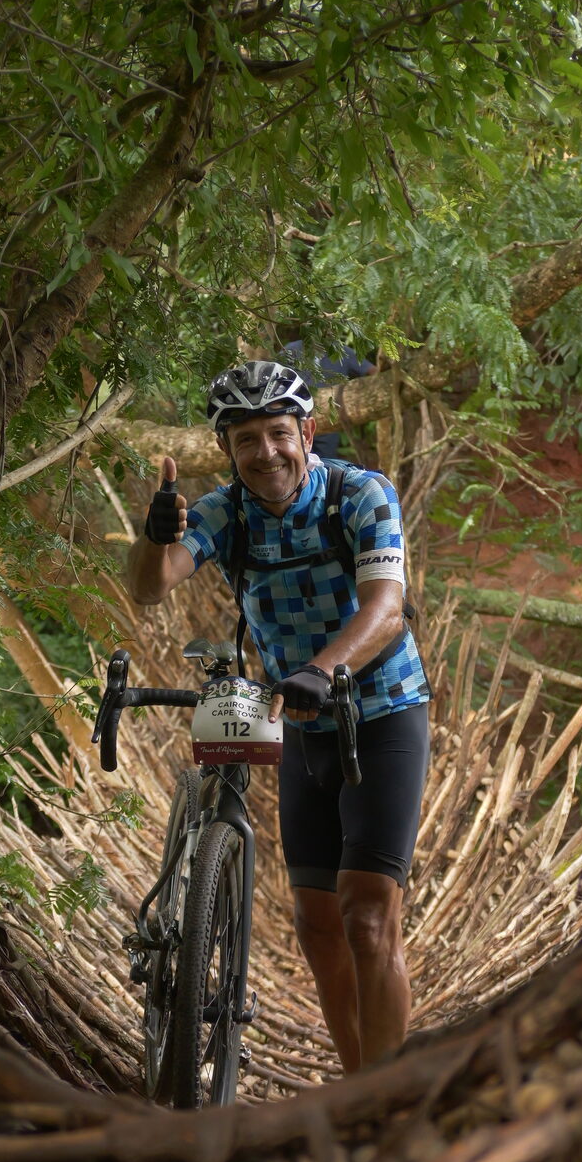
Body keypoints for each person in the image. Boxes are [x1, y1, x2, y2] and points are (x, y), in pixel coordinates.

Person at [125, 360, 430, 1074]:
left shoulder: (362, 495)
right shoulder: (225, 512)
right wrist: (154, 533)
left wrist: (322, 670)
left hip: (381, 712)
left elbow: (386, 610)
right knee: (316, 923)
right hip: (299, 720)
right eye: (247, 440)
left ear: (308, 433)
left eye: (279, 434)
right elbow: (150, 586)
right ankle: (361, 1093)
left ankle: (389, 1101)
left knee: (367, 913)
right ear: (228, 452)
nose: (267, 453)